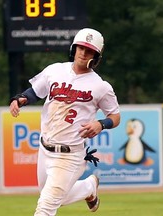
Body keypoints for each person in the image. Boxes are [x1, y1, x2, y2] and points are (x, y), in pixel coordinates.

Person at [9, 28, 120, 216]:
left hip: (70, 155)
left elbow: (115, 117)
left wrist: (101, 124)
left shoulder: (100, 86)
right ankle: (88, 187)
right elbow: (35, 91)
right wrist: (21, 99)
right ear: (73, 48)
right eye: (81, 48)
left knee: (45, 207)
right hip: (45, 148)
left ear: (96, 56)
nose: (83, 53)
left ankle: (87, 187)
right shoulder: (55, 70)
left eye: (89, 50)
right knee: (53, 196)